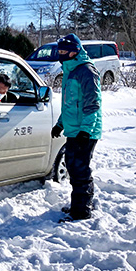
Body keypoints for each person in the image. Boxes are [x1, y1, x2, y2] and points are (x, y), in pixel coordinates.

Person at [51, 33, 102, 221]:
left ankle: (81, 211)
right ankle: (80, 204)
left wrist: (85, 131)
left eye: (65, 51)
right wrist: (59, 124)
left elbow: (92, 104)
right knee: (73, 167)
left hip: (85, 131)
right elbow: (70, 104)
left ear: (75, 51)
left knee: (80, 170)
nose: (61, 54)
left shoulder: (86, 71)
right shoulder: (70, 70)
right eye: (60, 51)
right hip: (73, 130)